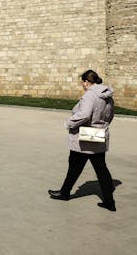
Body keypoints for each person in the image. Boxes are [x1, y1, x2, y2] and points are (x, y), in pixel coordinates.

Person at [48, 70, 116, 211]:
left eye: (83, 82)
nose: (83, 86)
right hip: (98, 135)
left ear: (86, 81)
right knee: (101, 168)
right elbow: (110, 115)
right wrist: (100, 125)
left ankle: (64, 193)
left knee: (74, 166)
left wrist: (69, 123)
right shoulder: (107, 95)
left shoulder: (90, 95)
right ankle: (109, 202)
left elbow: (84, 114)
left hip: (84, 137)